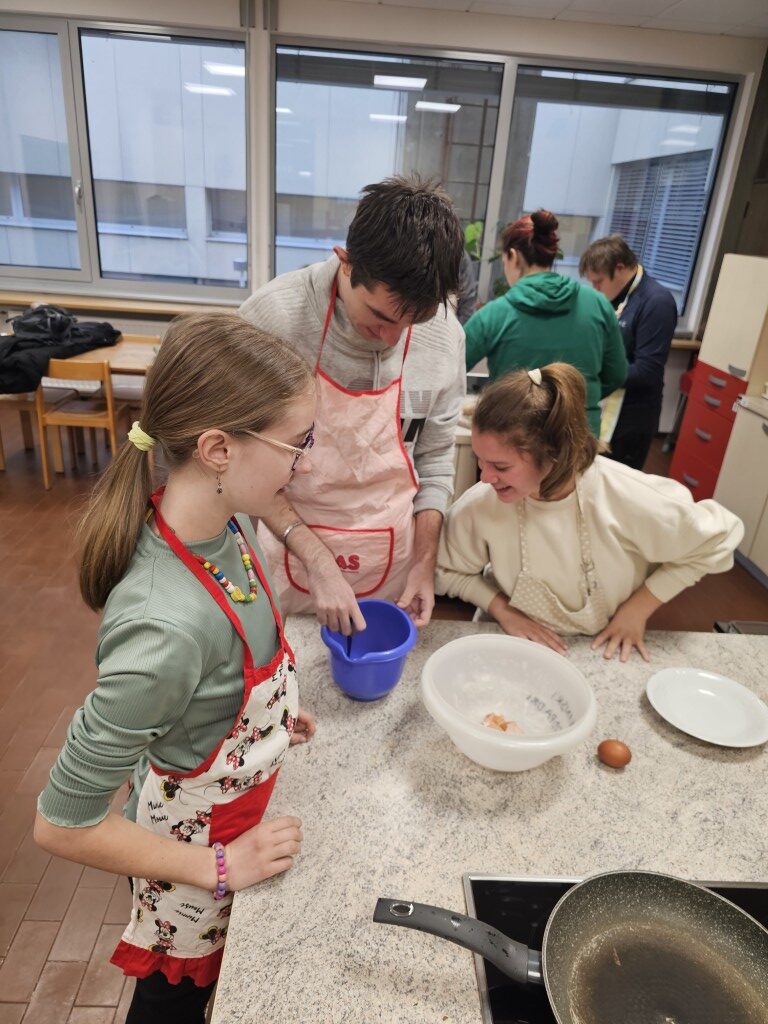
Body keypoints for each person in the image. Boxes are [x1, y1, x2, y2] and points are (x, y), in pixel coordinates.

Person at [34, 314, 317, 1024]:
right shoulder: (164, 628)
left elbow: (225, 669)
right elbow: (62, 824)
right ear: (219, 449)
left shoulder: (227, 523)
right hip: (195, 859)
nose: (304, 463)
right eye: (298, 444)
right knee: (171, 1007)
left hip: (238, 805)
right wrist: (221, 867)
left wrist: (266, 718)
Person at [239, 175, 465, 635]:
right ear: (346, 263)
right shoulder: (273, 321)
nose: (392, 339)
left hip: (391, 563)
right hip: (288, 552)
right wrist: (318, 560)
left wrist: (425, 563)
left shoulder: (445, 336)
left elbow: (436, 459)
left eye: (411, 322)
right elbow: (243, 459)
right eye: (379, 316)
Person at [435, 363, 743, 663]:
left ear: (554, 454)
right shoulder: (482, 505)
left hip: (599, 647)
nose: (485, 477)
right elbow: (446, 572)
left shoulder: (626, 497)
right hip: (507, 643)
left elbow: (717, 540)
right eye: (480, 460)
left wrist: (637, 610)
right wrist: (503, 611)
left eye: (501, 466)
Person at [463, 210, 627, 436]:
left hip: (514, 437)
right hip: (579, 435)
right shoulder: (598, 304)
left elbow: (451, 368)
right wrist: (574, 400)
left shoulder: (494, 315)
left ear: (513, 256)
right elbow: (617, 373)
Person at [580, 234, 678, 470]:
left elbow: (647, 370)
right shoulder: (616, 296)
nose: (595, 289)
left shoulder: (657, 302)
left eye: (599, 281)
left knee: (615, 482)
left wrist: (594, 375)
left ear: (620, 268)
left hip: (632, 418)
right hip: (605, 405)